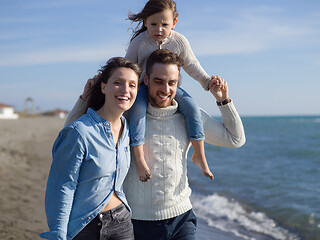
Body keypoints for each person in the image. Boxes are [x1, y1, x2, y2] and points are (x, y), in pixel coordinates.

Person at [122, 49, 246, 239]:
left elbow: (236, 140)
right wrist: (83, 100)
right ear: (146, 80)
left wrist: (223, 101)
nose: (165, 89)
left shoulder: (190, 117)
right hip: (137, 224)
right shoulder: (127, 116)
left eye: (172, 83)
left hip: (181, 220)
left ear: (178, 83)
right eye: (158, 81)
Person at [40, 57, 142, 240]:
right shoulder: (79, 132)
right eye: (117, 83)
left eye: (132, 85)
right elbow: (62, 186)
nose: (126, 90)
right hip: (85, 227)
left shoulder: (127, 129)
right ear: (103, 87)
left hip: (122, 223)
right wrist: (58, 234)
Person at [125, 0, 216, 182]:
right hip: (144, 87)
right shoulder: (139, 42)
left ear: (174, 23)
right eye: (153, 24)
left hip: (171, 89)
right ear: (145, 23)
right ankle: (140, 158)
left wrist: (207, 81)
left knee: (191, 106)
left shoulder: (179, 41)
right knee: (137, 112)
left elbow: (192, 65)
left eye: (165, 25)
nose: (159, 29)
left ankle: (199, 155)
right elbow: (127, 66)